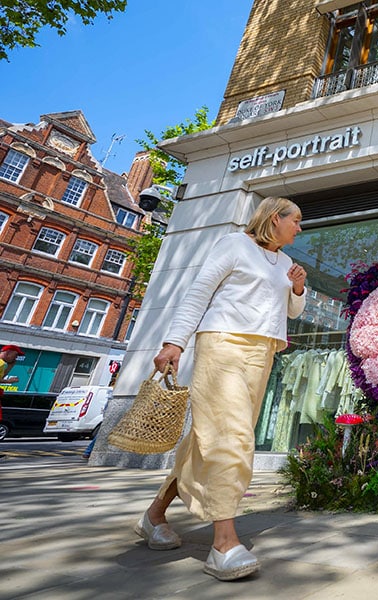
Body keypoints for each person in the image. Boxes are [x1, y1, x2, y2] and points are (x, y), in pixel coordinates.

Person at [135, 196, 307, 581]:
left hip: (263, 352)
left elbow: (291, 314)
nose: (299, 227)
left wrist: (297, 289)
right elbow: (199, 292)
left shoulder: (284, 264)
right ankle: (224, 544)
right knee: (233, 437)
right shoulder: (234, 244)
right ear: (273, 218)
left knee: (208, 440)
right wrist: (174, 341)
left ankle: (154, 515)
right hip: (223, 344)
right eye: (295, 220)